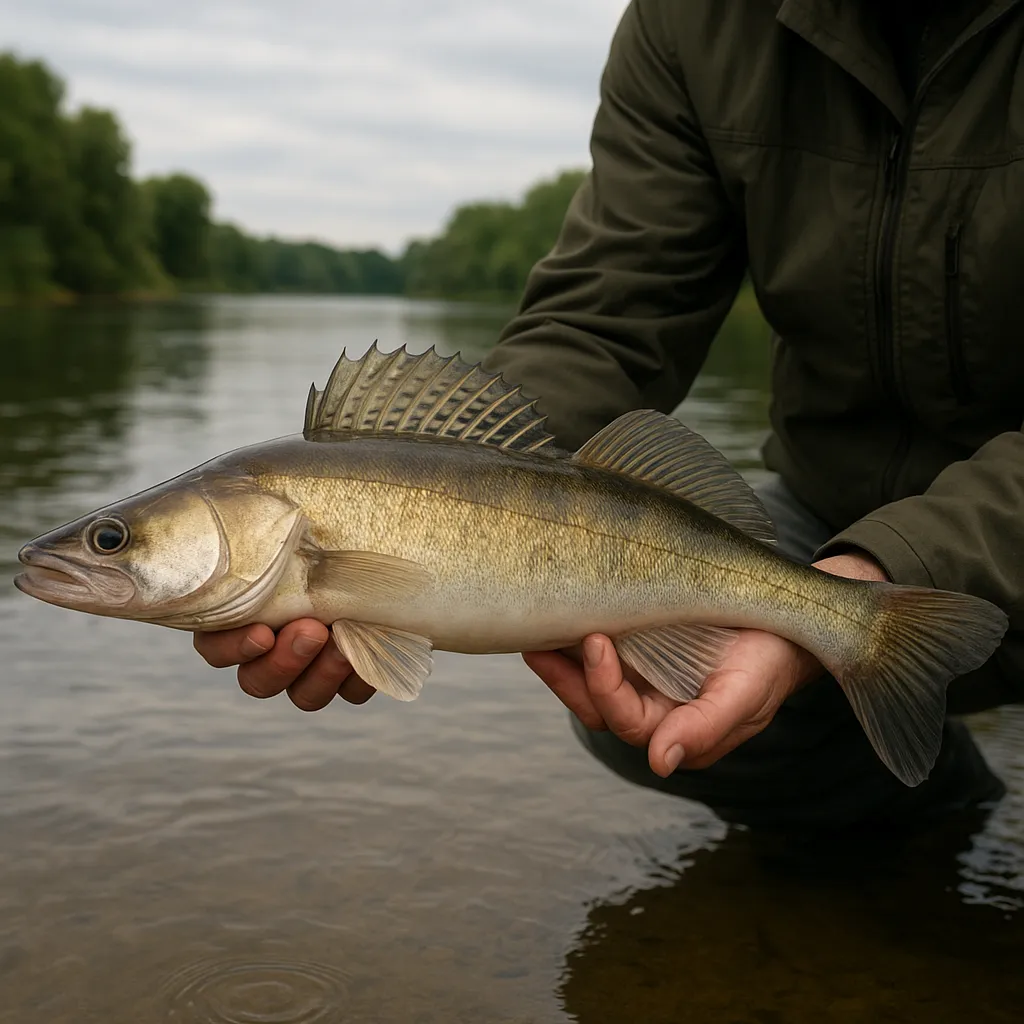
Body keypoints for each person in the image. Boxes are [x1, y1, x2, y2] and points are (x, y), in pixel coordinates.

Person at [194, 0, 1024, 830]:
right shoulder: (694, 20)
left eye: (116, 540)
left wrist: (875, 578)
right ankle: (938, 838)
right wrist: (452, 463)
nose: (97, 552)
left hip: (987, 515)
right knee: (652, 701)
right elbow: (608, 317)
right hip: (836, 501)